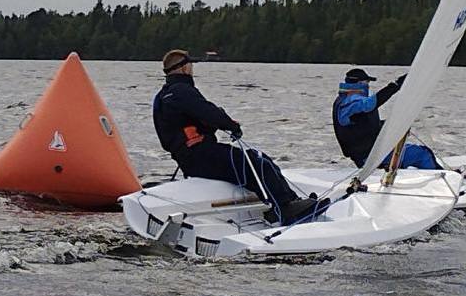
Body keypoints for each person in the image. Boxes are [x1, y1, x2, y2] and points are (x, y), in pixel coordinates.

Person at [153, 49, 321, 226]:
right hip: (201, 155)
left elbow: (197, 118)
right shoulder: (181, 91)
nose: (192, 68)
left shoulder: (162, 96)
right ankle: (285, 208)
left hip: (188, 158)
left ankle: (291, 202)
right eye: (191, 65)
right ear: (184, 68)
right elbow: (207, 112)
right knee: (256, 162)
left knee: (260, 158)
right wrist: (232, 126)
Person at [333, 67, 439, 170]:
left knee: (411, 152)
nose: (368, 86)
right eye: (366, 83)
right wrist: (396, 85)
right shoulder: (350, 102)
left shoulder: (344, 100)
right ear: (359, 83)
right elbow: (370, 104)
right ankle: (443, 179)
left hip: (369, 155)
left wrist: (390, 125)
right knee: (423, 154)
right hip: (371, 158)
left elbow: (361, 125)